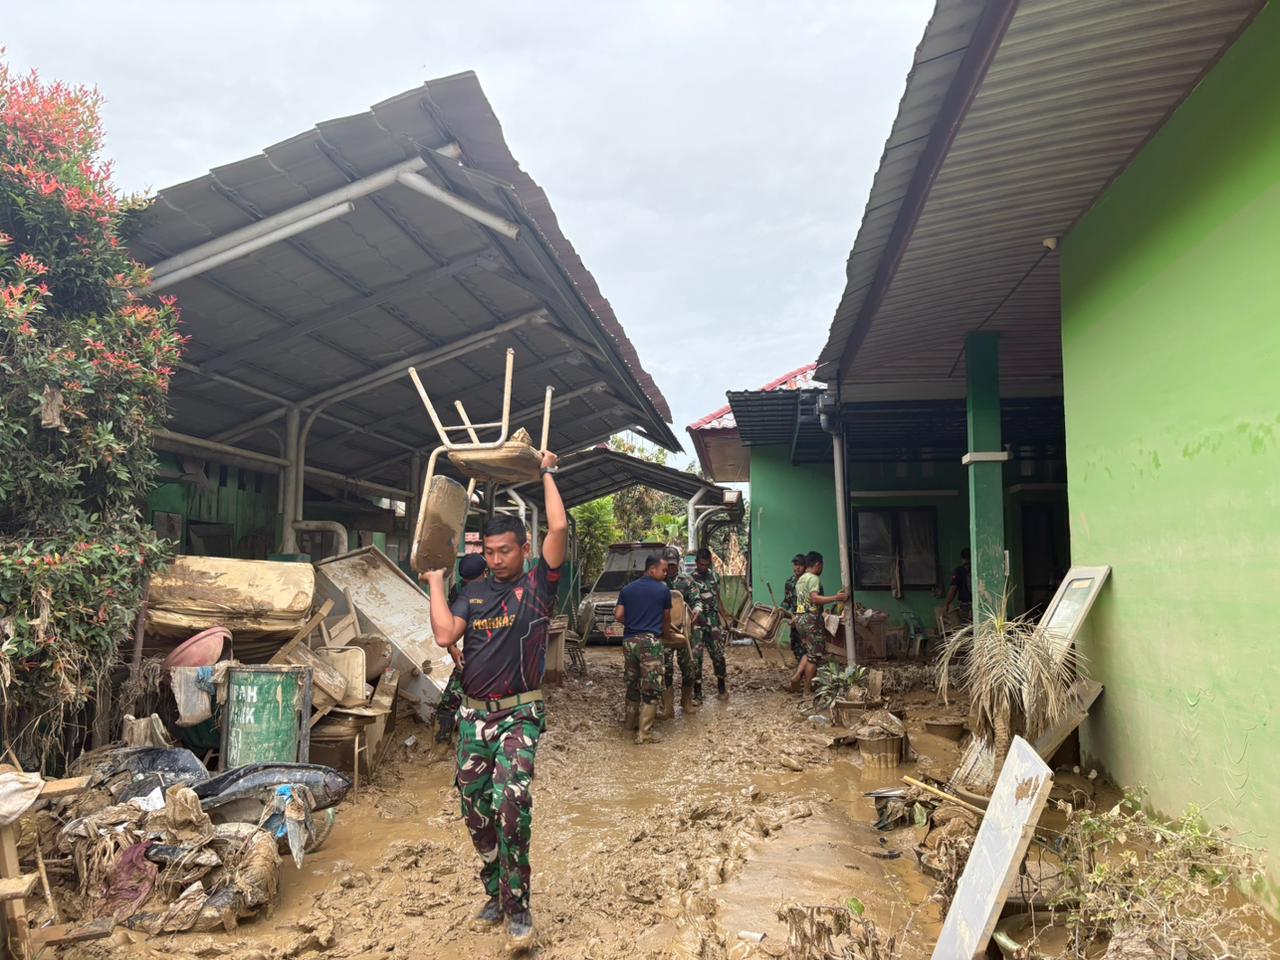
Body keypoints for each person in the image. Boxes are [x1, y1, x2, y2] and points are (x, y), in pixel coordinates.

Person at [423, 449, 566, 948]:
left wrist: (546, 472)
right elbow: (445, 636)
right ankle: (494, 890)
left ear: (524, 548)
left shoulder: (537, 585)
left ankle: (519, 906)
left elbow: (560, 531)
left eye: (506, 549)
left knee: (512, 802)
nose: (497, 558)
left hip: (519, 714)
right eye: (490, 550)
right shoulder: (474, 590)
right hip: (472, 717)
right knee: (475, 810)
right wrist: (438, 584)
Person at [430, 553, 489, 756]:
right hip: (488, 662)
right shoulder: (497, 590)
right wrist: (453, 648)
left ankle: (440, 749)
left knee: (448, 705)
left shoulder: (460, 592)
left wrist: (452, 647)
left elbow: (446, 627)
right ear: (486, 572)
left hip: (473, 661)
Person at [615, 554, 672, 745]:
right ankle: (645, 733)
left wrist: (633, 623)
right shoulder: (663, 591)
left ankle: (628, 726)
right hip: (650, 642)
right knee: (651, 687)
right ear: (652, 569)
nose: (665, 574)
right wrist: (667, 636)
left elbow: (618, 615)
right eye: (663, 570)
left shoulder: (627, 589)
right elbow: (666, 619)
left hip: (629, 641)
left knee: (632, 683)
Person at [787, 551, 848, 696]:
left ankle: (797, 676)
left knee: (809, 651)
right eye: (822, 565)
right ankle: (807, 690)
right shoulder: (813, 578)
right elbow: (814, 599)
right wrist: (836, 597)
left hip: (800, 619)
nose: (822, 569)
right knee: (815, 657)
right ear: (817, 565)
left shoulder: (800, 580)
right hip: (811, 619)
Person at [661, 545, 700, 717]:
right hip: (664, 631)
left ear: (678, 563)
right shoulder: (657, 582)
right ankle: (668, 706)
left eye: (673, 564)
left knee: (689, 667)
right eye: (668, 564)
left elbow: (697, 600)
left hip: (684, 630)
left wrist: (697, 609)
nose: (670, 568)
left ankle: (686, 701)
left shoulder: (686, 581)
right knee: (665, 668)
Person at [689, 546, 730, 703]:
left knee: (718, 655)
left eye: (707, 564)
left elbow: (718, 598)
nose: (704, 567)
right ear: (696, 562)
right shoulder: (689, 579)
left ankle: (721, 688)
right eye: (701, 564)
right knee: (696, 658)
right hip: (697, 624)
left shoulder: (714, 577)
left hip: (713, 622)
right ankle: (697, 693)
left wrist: (725, 617)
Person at [781, 553, 807, 661]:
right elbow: (787, 600)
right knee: (795, 645)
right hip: (794, 620)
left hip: (806, 620)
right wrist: (781, 609)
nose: (797, 567)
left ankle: (806, 673)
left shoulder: (808, 581)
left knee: (806, 647)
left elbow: (807, 604)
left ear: (805, 566)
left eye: (800, 565)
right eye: (795, 564)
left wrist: (798, 616)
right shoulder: (789, 582)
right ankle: (801, 669)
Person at [943, 548, 973, 625]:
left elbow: (953, 589)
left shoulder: (959, 571)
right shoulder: (978, 569)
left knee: (967, 629)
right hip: (978, 604)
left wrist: (947, 604)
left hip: (967, 605)